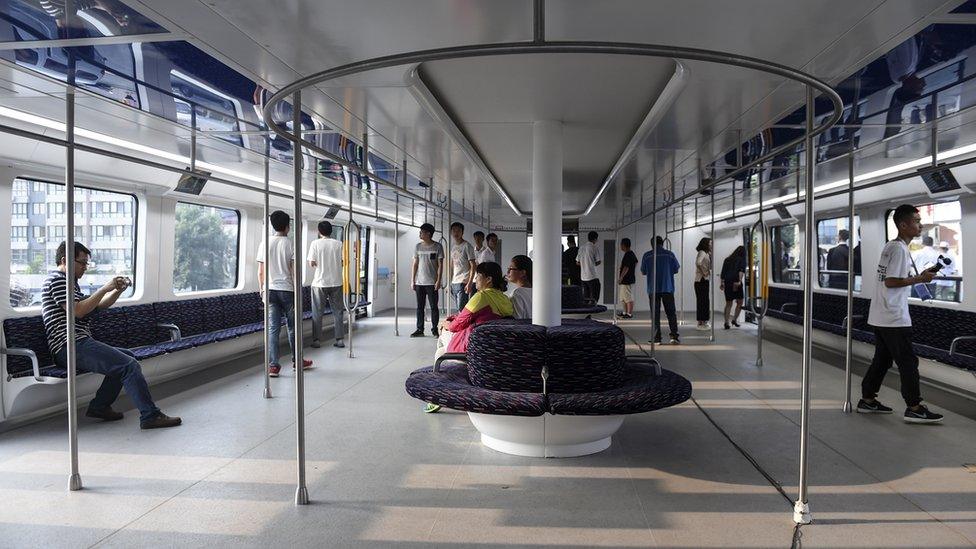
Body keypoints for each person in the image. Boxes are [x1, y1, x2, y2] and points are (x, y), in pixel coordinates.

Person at [43, 242, 181, 429]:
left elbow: (98, 306)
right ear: (65, 260)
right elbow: (78, 311)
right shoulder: (58, 280)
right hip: (68, 345)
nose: (85, 267)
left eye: (86, 264)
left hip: (78, 342)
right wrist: (104, 288)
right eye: (82, 263)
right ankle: (150, 415)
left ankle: (99, 407)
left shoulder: (71, 284)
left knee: (128, 357)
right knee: (128, 365)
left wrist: (117, 290)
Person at [859, 204, 943, 424]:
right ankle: (914, 406)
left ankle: (867, 399)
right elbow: (891, 281)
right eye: (916, 221)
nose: (920, 225)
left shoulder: (891, 246)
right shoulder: (899, 250)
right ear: (903, 225)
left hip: (880, 314)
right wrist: (920, 279)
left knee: (883, 360)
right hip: (893, 316)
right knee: (907, 362)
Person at [427, 262, 514, 413]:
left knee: (441, 343)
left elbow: (457, 324)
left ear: (488, 279)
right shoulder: (504, 299)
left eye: (478, 276)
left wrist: (445, 324)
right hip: (492, 347)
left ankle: (436, 395)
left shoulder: (481, 296)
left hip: (474, 347)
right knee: (442, 346)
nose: (475, 280)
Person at [257, 210, 314, 377]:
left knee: (273, 329)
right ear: (287, 226)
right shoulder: (290, 243)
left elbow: (260, 271)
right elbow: (293, 270)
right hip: (287, 290)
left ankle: (273, 365)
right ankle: (297, 361)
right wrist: (298, 290)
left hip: (270, 291)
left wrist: (261, 290)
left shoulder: (264, 243)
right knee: (292, 328)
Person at [307, 220, 345, 349]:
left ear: (319, 231)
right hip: (336, 282)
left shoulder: (315, 244)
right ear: (331, 231)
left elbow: (311, 263)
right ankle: (339, 339)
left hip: (319, 283)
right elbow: (343, 261)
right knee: (338, 312)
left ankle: (317, 340)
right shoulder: (339, 244)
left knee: (318, 312)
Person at [641, 236, 680, 344]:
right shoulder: (670, 254)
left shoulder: (647, 255)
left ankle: (657, 338)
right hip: (667, 288)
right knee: (671, 313)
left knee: (655, 314)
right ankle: (674, 337)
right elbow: (676, 269)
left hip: (653, 289)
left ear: (652, 244)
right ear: (662, 243)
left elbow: (643, 271)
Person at [411, 222, 444, 337]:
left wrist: (438, 280)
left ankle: (434, 329)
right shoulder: (417, 246)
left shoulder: (438, 246)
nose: (420, 234)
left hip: (432, 283)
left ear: (428, 233)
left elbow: (440, 265)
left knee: (434, 307)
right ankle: (419, 329)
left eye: (422, 232)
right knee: (420, 307)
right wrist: (412, 280)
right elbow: (415, 264)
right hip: (419, 282)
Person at [448, 222, 477, 312]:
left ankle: (464, 325)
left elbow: (473, 265)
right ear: (451, 232)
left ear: (462, 232)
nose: (456, 233)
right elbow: (452, 265)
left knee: (462, 308)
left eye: (458, 231)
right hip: (454, 281)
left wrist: (469, 282)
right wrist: (449, 282)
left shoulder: (467, 246)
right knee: (459, 309)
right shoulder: (453, 247)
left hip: (463, 281)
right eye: (454, 231)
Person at [720, 246, 746, 329]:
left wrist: (722, 283)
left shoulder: (727, 259)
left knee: (728, 303)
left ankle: (726, 322)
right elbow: (741, 271)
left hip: (727, 282)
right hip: (736, 282)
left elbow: (723, 273)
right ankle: (734, 319)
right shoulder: (742, 260)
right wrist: (739, 281)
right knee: (740, 301)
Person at [577, 231, 602, 302]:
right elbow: (598, 261)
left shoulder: (581, 248)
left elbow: (577, 262)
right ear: (595, 239)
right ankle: (593, 308)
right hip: (592, 276)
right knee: (595, 295)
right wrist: (591, 264)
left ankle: (587, 309)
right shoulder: (594, 247)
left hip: (583, 277)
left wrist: (584, 264)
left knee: (586, 296)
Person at [506, 255, 533, 320]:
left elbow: (516, 321)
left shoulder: (517, 293)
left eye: (511, 269)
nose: (507, 272)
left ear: (522, 273)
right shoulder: (537, 291)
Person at [694, 237, 712, 330]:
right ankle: (701, 322)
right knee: (703, 301)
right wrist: (704, 272)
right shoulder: (702, 252)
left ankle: (703, 321)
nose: (711, 245)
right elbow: (698, 263)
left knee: (704, 301)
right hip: (701, 280)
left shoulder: (707, 253)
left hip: (703, 280)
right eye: (710, 243)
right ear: (706, 244)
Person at [617, 238, 637, 319]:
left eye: (621, 244)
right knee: (623, 297)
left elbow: (626, 267)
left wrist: (621, 277)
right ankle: (625, 312)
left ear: (624, 245)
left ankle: (629, 314)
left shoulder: (629, 254)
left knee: (628, 297)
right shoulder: (630, 254)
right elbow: (635, 262)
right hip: (627, 279)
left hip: (627, 280)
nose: (620, 246)